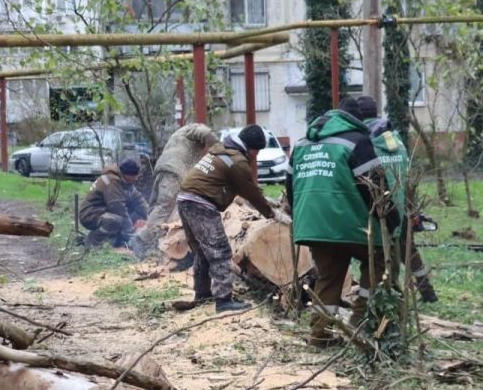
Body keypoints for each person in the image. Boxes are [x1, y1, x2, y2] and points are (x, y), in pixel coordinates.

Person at [287, 96, 401, 347]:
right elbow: (376, 186)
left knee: (328, 277)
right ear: (357, 121)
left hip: (312, 225)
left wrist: (300, 218)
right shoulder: (357, 141)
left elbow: (290, 187)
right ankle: (360, 326)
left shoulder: (302, 143)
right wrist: (393, 222)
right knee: (379, 266)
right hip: (350, 225)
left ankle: (319, 336)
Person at [177, 125, 286, 313]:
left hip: (185, 199)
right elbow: (250, 192)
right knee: (220, 251)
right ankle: (223, 300)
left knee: (204, 251)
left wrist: (265, 200)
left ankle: (202, 293)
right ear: (249, 147)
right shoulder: (237, 161)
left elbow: (246, 187)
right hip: (202, 204)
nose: (256, 156)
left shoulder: (221, 151)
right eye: (256, 151)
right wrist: (273, 214)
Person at [348, 96, 438, 303]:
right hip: (403, 203)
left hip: (382, 208)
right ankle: (427, 292)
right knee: (409, 249)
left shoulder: (365, 142)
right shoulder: (394, 139)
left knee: (384, 255)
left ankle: (389, 295)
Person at [130, 123, 218, 255]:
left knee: (156, 207)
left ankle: (151, 241)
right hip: (174, 172)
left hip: (162, 168)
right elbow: (206, 133)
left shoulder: (181, 135)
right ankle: (142, 239)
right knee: (164, 208)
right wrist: (219, 148)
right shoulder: (195, 129)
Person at [79, 159, 148, 248]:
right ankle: (92, 242)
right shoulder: (112, 181)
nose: (136, 178)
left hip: (102, 212)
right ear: (127, 174)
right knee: (116, 220)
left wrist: (150, 216)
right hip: (90, 214)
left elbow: (138, 199)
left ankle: (114, 240)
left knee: (134, 214)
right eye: (134, 176)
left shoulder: (125, 181)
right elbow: (118, 208)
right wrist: (130, 233)